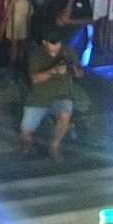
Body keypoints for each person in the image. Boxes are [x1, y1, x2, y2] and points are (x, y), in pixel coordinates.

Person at [21, 23, 80, 162]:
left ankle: (55, 145)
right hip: (39, 96)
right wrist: (53, 71)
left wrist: (73, 70)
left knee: (65, 115)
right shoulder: (36, 55)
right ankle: (28, 145)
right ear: (44, 42)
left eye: (58, 42)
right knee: (25, 132)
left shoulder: (68, 51)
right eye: (52, 43)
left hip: (62, 95)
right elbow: (35, 79)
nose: (56, 46)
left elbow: (80, 73)